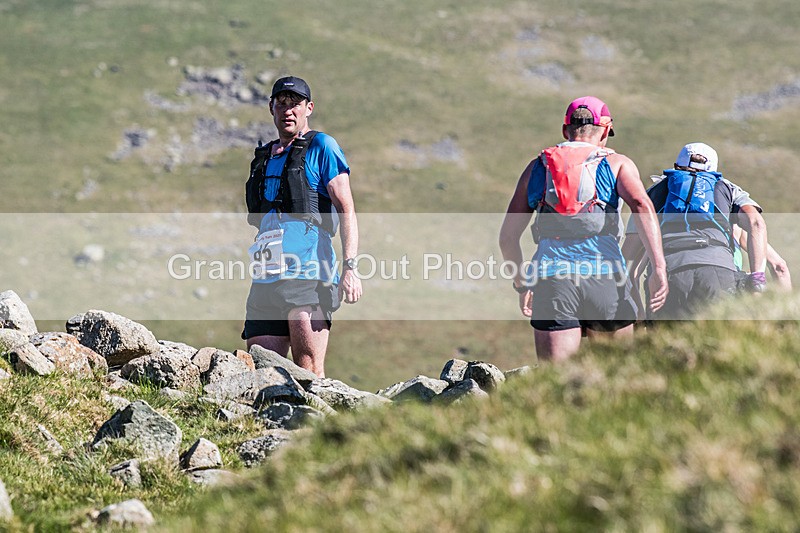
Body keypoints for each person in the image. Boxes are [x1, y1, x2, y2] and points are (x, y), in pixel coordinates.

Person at [499, 96, 668, 362]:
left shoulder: (537, 167)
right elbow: (641, 205)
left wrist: (523, 284)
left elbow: (507, 239)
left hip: (553, 280)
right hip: (607, 278)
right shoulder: (617, 163)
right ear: (604, 130)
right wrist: (658, 267)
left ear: (566, 130)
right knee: (615, 377)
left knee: (558, 382)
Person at [242, 76, 362, 377]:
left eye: (295, 104)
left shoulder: (322, 146)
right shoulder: (264, 156)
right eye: (281, 104)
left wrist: (350, 267)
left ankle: (313, 423)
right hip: (265, 276)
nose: (288, 110)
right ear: (271, 107)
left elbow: (346, 207)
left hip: (308, 274)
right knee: (261, 371)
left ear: (309, 108)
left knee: (307, 368)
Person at [621, 142, 768, 320]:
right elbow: (756, 223)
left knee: (666, 343)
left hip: (669, 273)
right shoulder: (726, 187)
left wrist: (639, 314)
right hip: (718, 271)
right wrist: (757, 279)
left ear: (676, 167)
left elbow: (628, 258)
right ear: (713, 171)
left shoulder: (654, 193)